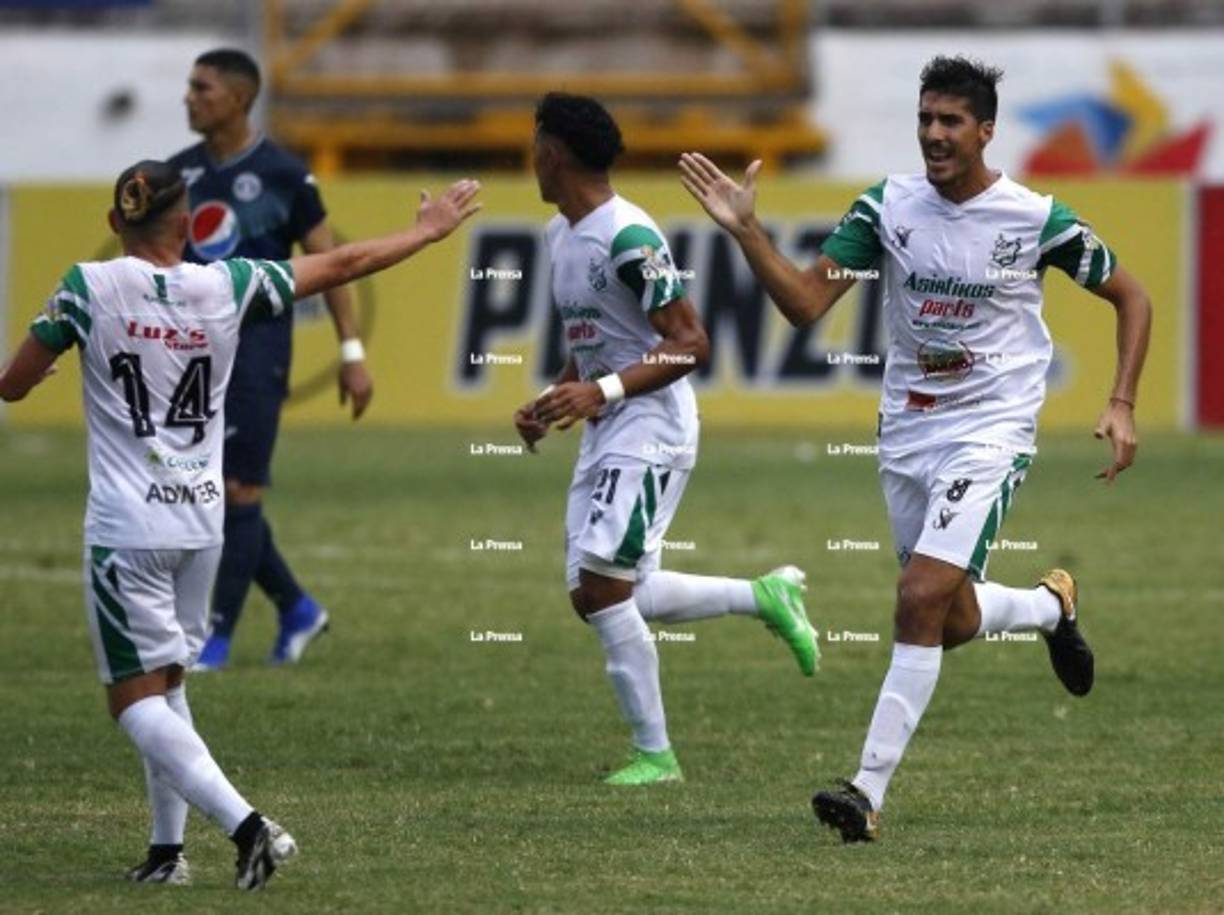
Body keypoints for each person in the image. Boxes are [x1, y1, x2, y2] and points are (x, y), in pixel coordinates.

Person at [679, 55, 1151, 840]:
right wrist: (746, 230)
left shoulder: (1035, 219)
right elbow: (802, 303)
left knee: (917, 599)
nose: (934, 134)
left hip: (991, 427)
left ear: (986, 131)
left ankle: (865, 791)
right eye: (926, 118)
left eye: (951, 122)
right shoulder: (887, 208)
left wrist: (1122, 400)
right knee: (951, 617)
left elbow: (1131, 295)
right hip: (908, 429)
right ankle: (1049, 605)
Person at [0, 160, 480, 885]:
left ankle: (249, 826)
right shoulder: (227, 283)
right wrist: (426, 232)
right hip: (202, 521)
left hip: (127, 526)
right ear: (191, 225)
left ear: (113, 224)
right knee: (169, 688)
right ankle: (168, 854)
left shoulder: (86, 287)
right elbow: (345, 261)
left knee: (132, 703)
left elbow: (11, 383)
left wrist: (36, 372)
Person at [517, 92, 820, 787]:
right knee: (596, 591)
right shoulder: (559, 235)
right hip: (609, 421)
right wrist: (556, 395)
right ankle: (764, 596)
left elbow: (691, 342)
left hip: (651, 424)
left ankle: (656, 755)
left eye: (535, 145)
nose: (531, 157)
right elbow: (592, 337)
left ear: (554, 153)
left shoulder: (629, 236)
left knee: (603, 585)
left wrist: (602, 391)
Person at [167, 48, 372, 670]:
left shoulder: (285, 175)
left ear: (237, 98)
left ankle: (216, 638)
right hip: (192, 353)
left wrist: (352, 351)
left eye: (201, 87)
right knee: (210, 493)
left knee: (239, 488)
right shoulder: (176, 176)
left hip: (257, 349)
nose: (188, 96)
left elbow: (332, 266)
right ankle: (298, 608)